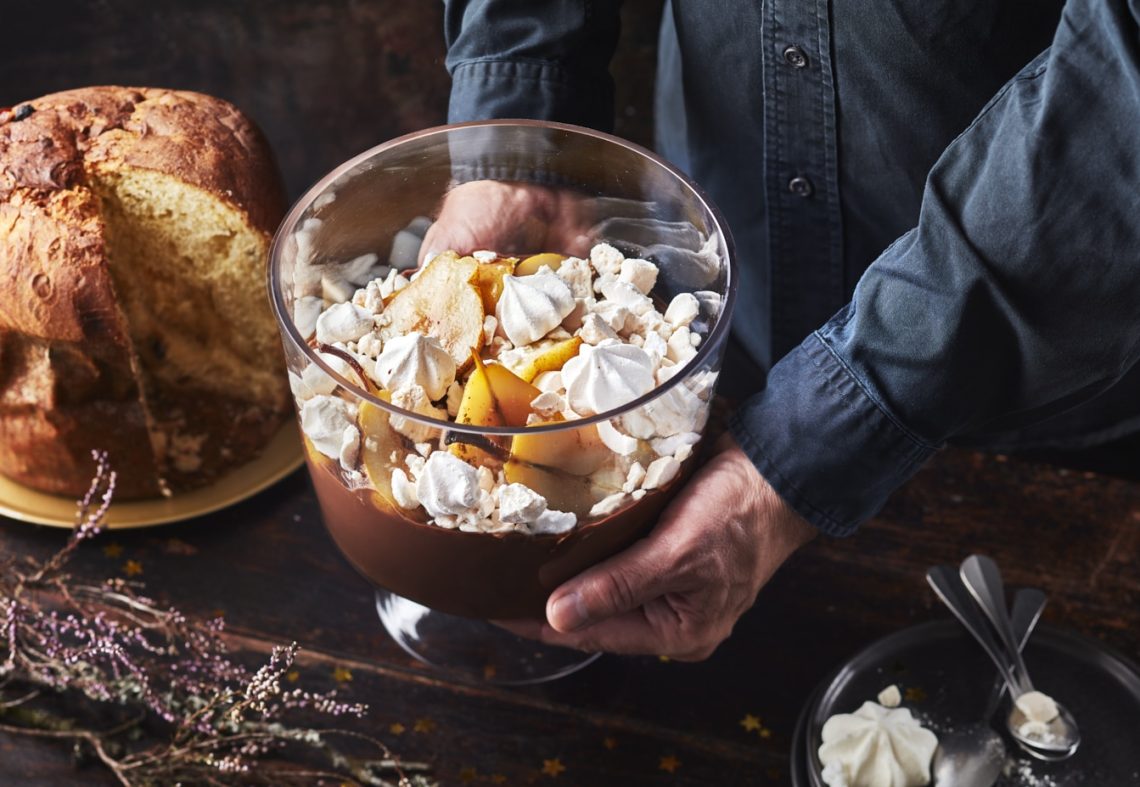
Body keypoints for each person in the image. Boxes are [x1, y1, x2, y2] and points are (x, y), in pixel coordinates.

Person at [429, 0, 1140, 660]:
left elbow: (1117, 102)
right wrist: (523, 136)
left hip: (1052, 394)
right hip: (724, 317)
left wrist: (806, 448)